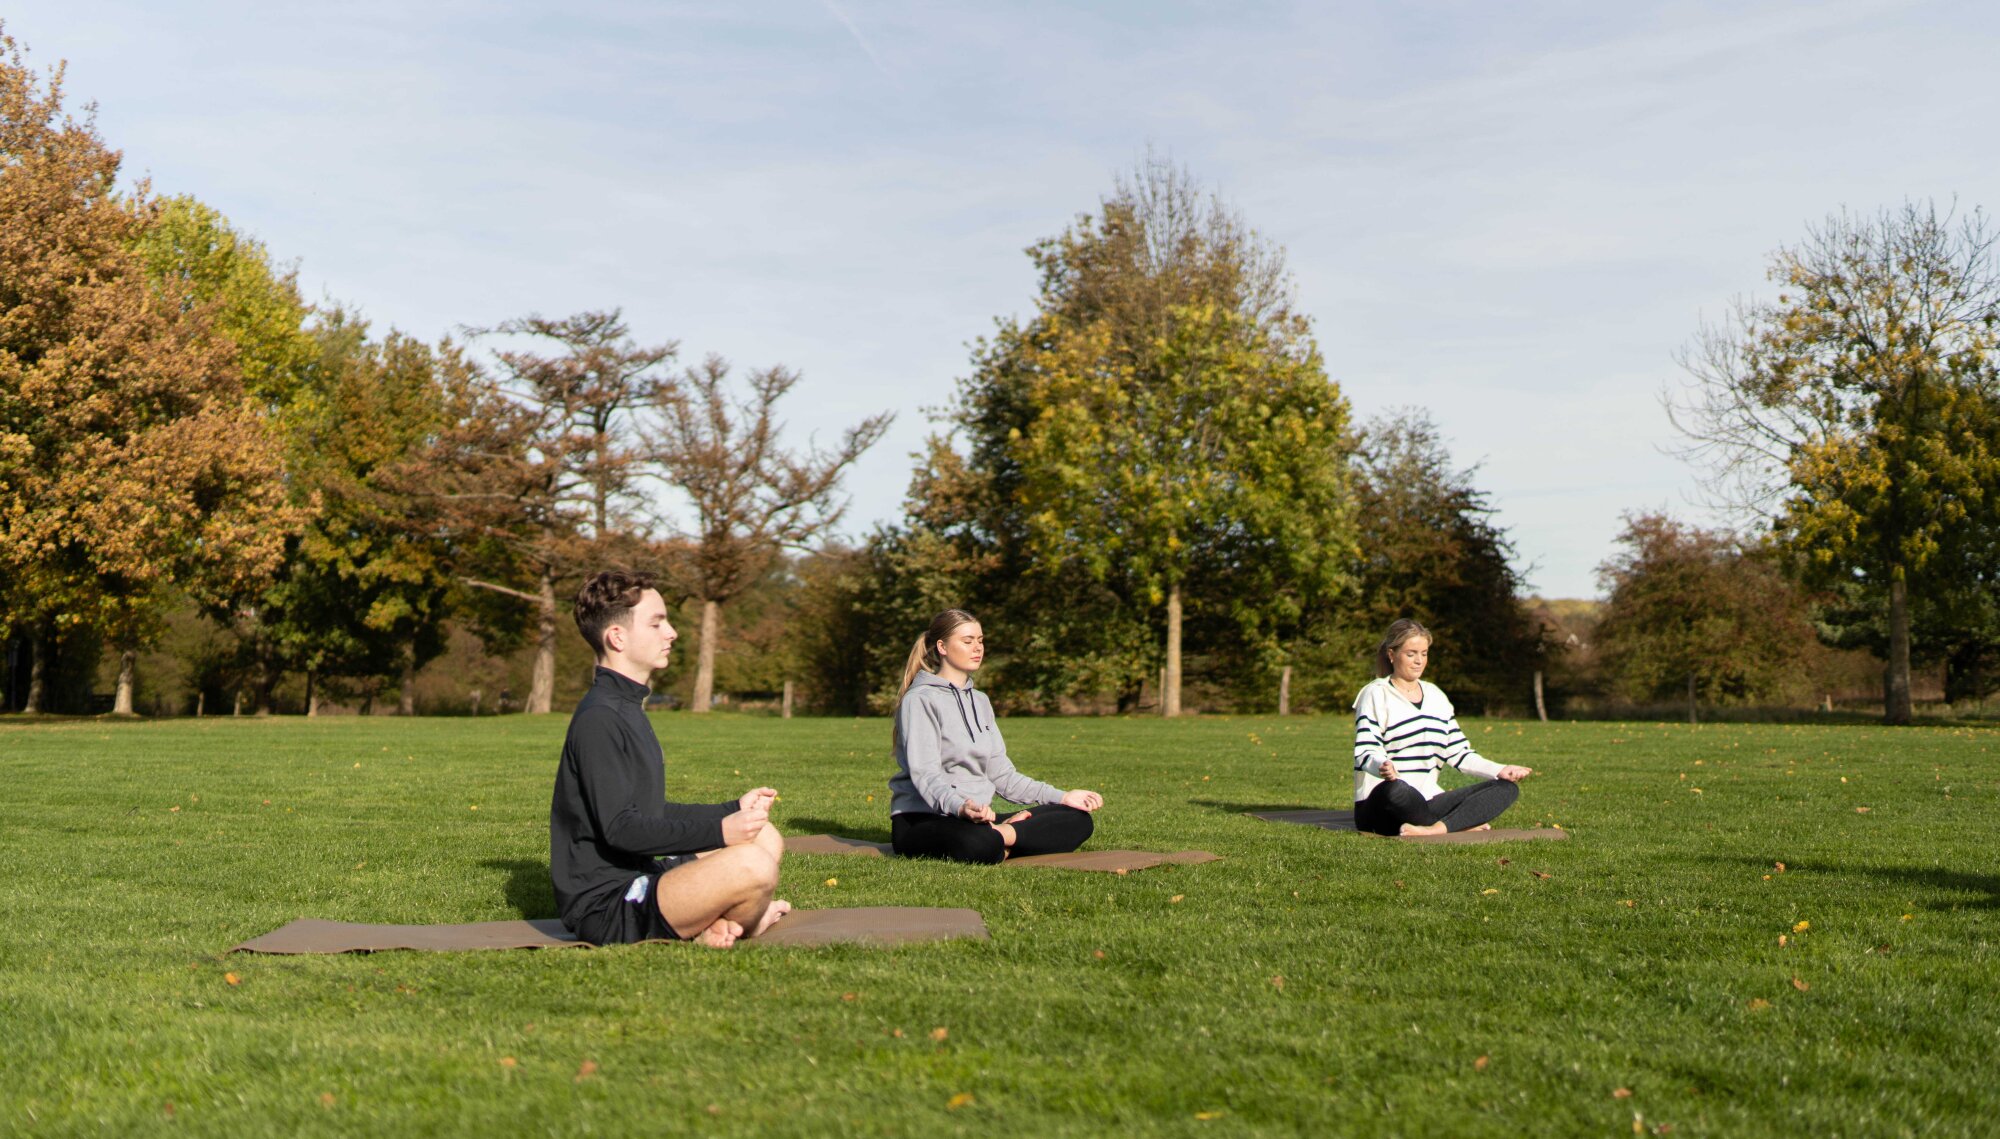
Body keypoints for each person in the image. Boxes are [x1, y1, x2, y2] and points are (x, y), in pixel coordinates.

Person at [550, 570, 791, 949]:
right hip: (609, 906)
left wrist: (729, 810)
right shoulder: (600, 718)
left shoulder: (626, 706)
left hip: (647, 877)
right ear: (617, 637)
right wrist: (721, 832)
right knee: (753, 865)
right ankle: (741, 922)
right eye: (657, 622)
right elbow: (621, 829)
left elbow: (649, 811)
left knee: (763, 835)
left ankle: (719, 924)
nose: (672, 632)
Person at [887, 609, 1104, 863]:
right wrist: (961, 807)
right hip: (925, 819)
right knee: (977, 842)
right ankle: (1007, 837)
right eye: (967, 641)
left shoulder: (980, 701)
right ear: (942, 647)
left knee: (1077, 819)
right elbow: (926, 775)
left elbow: (1002, 776)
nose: (977, 648)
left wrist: (1064, 796)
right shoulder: (920, 699)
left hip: (980, 818)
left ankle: (1002, 834)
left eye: (980, 640)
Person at [1351, 618, 1533, 836]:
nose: (1419, 661)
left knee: (1506, 788)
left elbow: (1460, 754)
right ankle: (1459, 823)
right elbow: (1365, 751)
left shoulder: (1436, 696)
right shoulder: (1375, 693)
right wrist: (1381, 765)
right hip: (1383, 802)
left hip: (1428, 801)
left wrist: (1500, 769)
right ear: (1392, 654)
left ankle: (1436, 828)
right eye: (1411, 654)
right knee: (1397, 790)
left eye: (1424, 653)